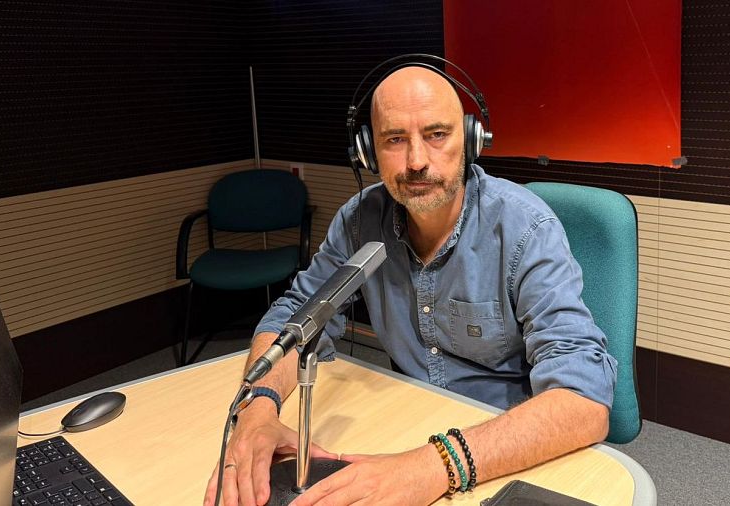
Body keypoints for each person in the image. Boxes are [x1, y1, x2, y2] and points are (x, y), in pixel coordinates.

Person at [203, 65, 617, 506]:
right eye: (395, 139)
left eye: (437, 134)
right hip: (406, 429)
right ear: (368, 153)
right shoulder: (360, 221)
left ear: (471, 140)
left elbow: (583, 398)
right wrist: (258, 408)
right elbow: (295, 316)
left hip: (501, 446)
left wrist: (435, 465)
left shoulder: (525, 228)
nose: (417, 161)